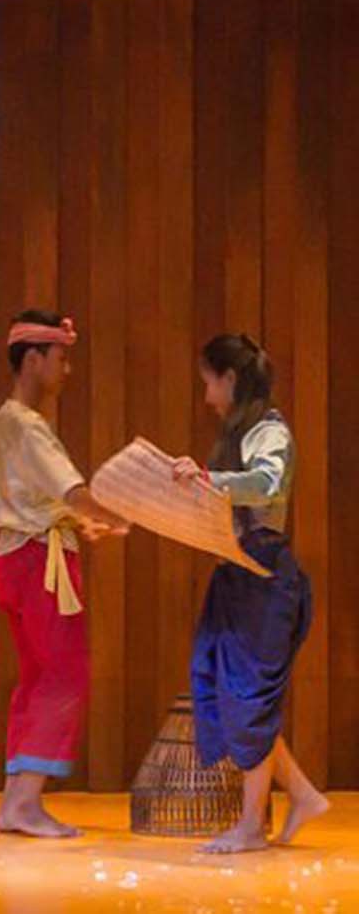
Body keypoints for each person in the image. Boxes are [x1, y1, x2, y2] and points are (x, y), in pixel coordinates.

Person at [173, 333, 326, 854]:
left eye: (209, 382)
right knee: (226, 689)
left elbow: (268, 485)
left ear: (231, 379)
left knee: (247, 697)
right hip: (237, 577)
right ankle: (301, 795)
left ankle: (250, 824)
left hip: (263, 580)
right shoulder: (243, 433)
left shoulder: (269, 432)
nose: (208, 395)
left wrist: (208, 480)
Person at [0, 310, 126, 837]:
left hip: (18, 557)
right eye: (61, 356)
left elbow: (52, 501)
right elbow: (74, 493)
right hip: (39, 563)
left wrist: (83, 520)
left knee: (38, 675)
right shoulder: (27, 425)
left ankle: (14, 801)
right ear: (34, 358)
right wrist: (125, 513)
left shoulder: (9, 418)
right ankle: (24, 802)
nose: (67, 369)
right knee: (65, 674)